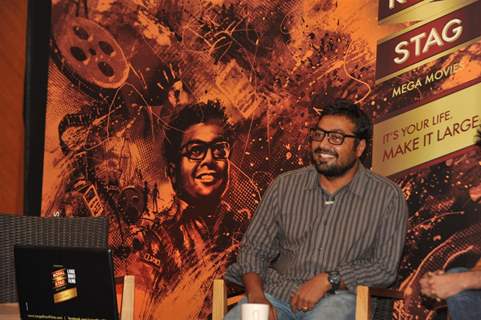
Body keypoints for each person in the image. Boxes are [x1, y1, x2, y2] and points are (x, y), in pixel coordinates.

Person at [224, 100, 409, 320]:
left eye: (336, 138)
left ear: (359, 148)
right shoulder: (285, 186)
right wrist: (256, 298)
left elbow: (384, 268)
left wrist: (328, 279)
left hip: (340, 299)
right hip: (275, 295)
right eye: (318, 135)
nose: (323, 144)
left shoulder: (386, 196)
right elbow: (253, 249)